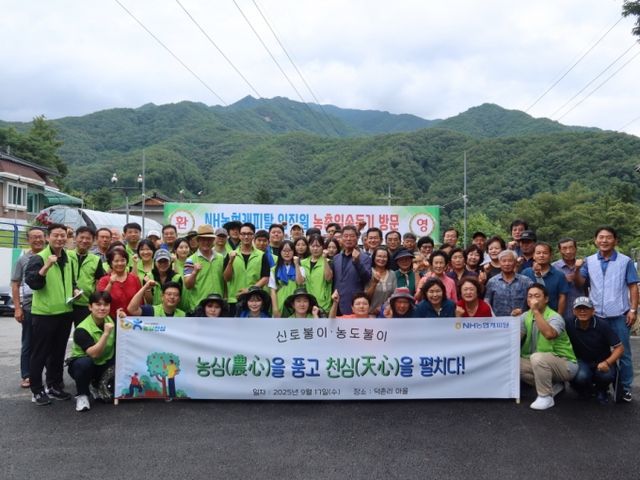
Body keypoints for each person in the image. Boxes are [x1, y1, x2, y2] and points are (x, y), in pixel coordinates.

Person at [577, 225, 638, 402]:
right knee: (597, 352)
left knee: (624, 354)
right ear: (595, 240)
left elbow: (633, 286)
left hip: (619, 314)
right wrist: (577, 269)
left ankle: (625, 388)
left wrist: (633, 310)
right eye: (601, 237)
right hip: (596, 315)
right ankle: (599, 386)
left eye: (608, 237)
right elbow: (581, 282)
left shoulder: (625, 261)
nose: (604, 240)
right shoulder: (589, 261)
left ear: (615, 241)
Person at [25, 223, 75, 404]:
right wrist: (46, 266)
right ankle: (37, 390)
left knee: (58, 353)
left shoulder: (68, 258)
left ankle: (54, 386)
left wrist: (75, 289)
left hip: (65, 312)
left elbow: (71, 281)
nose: (60, 238)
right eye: (56, 235)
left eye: (63, 235)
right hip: (45, 314)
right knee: (40, 353)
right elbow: (33, 283)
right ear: (48, 237)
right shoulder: (38, 258)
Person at [520, 284, 578, 411]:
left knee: (537, 358)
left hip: (565, 363)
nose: (533, 299)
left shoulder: (555, 317)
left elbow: (549, 334)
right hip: (538, 361)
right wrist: (513, 320)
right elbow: (516, 338)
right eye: (530, 296)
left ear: (546, 299)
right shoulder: (525, 316)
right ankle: (554, 386)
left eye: (537, 296)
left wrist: (536, 311)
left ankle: (545, 397)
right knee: (513, 363)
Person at [565, 297, 624, 404]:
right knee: (580, 376)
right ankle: (586, 391)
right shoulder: (568, 323)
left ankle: (602, 390)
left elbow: (619, 348)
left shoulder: (603, 325)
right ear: (573, 311)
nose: (582, 311)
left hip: (602, 360)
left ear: (593, 311)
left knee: (606, 375)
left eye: (586, 308)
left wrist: (607, 362)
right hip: (581, 360)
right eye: (579, 308)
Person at [67, 291, 116, 412]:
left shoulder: (111, 320)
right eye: (98, 305)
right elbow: (94, 354)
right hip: (85, 364)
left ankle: (96, 384)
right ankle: (82, 395)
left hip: (104, 363)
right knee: (84, 364)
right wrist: (106, 334)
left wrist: (123, 319)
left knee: (108, 398)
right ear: (90, 307)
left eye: (106, 305)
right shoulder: (81, 329)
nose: (102, 308)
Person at [11, 226, 46, 389]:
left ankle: (50, 377)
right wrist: (17, 308)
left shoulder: (50, 256)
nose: (38, 240)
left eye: (40, 236)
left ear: (45, 238)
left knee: (47, 343)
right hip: (29, 307)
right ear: (28, 240)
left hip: (48, 307)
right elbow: (15, 284)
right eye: (34, 237)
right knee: (28, 342)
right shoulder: (22, 260)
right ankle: (26, 375)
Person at [223, 222, 270, 315]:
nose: (246, 237)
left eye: (249, 234)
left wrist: (249, 290)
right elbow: (226, 278)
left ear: (253, 236)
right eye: (243, 234)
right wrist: (230, 261)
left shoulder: (261, 255)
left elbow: (265, 278)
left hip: (255, 301)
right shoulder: (231, 254)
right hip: (235, 300)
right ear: (239, 236)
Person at [68, 227, 106, 327]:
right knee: (63, 332)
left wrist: (95, 301)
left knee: (82, 331)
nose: (84, 241)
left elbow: (98, 281)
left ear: (93, 241)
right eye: (82, 237)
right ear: (75, 238)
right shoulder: (66, 255)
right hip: (66, 302)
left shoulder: (96, 259)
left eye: (88, 238)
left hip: (85, 304)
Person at [183, 225, 225, 313]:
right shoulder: (190, 260)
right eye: (203, 239)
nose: (206, 242)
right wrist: (194, 272)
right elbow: (188, 285)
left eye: (209, 239)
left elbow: (224, 281)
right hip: (199, 307)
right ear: (198, 240)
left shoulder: (220, 258)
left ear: (213, 240)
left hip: (218, 307)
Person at [331, 225, 372, 315]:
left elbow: (367, 279)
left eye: (352, 236)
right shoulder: (336, 258)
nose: (348, 239)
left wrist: (357, 262)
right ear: (341, 238)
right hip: (336, 303)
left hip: (354, 304)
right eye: (346, 236)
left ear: (357, 238)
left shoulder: (365, 258)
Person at [521, 242, 569, 315]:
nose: (541, 255)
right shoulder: (526, 273)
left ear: (550, 256)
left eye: (545, 253)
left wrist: (558, 317)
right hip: (529, 315)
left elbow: (562, 297)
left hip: (551, 315)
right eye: (538, 253)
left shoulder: (559, 275)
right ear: (533, 256)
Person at [484, 250, 533, 317]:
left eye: (510, 261)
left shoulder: (526, 281)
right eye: (504, 261)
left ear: (515, 262)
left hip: (521, 320)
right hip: (499, 322)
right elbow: (487, 302)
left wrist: (525, 313)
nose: (507, 264)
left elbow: (534, 300)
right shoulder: (492, 282)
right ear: (499, 263)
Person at [97, 248, 142, 320]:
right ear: (111, 263)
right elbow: (101, 300)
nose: (120, 263)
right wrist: (110, 284)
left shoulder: (134, 279)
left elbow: (140, 301)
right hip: (111, 320)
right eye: (116, 261)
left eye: (122, 260)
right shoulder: (104, 280)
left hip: (133, 321)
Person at [552, 237, 586, 321]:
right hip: (560, 311)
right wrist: (562, 280)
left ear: (576, 249)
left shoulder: (584, 264)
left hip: (581, 310)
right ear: (560, 250)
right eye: (564, 248)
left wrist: (577, 269)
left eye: (571, 247)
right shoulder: (553, 267)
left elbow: (581, 284)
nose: (568, 251)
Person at [269, 240, 306, 316]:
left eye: (289, 251)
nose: (287, 253)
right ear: (280, 252)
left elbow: (300, 282)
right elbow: (273, 290)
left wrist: (296, 264)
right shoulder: (274, 269)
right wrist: (275, 308)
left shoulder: (300, 268)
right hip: (280, 302)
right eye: (284, 251)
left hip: (295, 304)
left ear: (294, 252)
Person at [300, 234, 333, 312]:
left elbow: (328, 278)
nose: (315, 248)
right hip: (307, 303)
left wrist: (325, 259)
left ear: (323, 247)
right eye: (313, 246)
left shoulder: (328, 262)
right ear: (309, 247)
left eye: (318, 246)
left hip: (323, 304)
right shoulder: (303, 263)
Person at [366, 246, 397, 315]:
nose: (382, 259)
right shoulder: (368, 272)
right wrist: (374, 283)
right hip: (370, 314)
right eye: (379, 256)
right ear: (374, 257)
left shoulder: (392, 274)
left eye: (384, 257)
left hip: (387, 313)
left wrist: (383, 307)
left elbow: (394, 295)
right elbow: (365, 297)